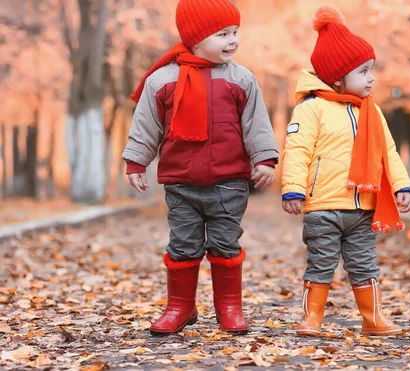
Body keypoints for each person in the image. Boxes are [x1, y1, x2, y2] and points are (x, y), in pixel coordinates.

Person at [122, 0, 279, 336]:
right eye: (222, 34)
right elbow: (147, 125)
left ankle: (229, 308)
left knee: (225, 244)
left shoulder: (241, 79)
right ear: (195, 39)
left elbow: (256, 124)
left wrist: (264, 159)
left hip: (229, 183)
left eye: (235, 32)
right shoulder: (163, 80)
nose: (233, 40)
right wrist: (136, 161)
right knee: (182, 245)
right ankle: (180, 306)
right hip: (181, 184)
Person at [281, 6, 410, 337]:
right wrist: (293, 189)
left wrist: (402, 186)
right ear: (338, 77)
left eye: (372, 70)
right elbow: (297, 150)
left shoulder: (373, 110)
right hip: (323, 206)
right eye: (363, 71)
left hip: (362, 208)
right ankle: (312, 319)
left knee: (364, 265)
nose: (371, 78)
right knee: (321, 264)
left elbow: (388, 153)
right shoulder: (311, 108)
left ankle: (373, 319)